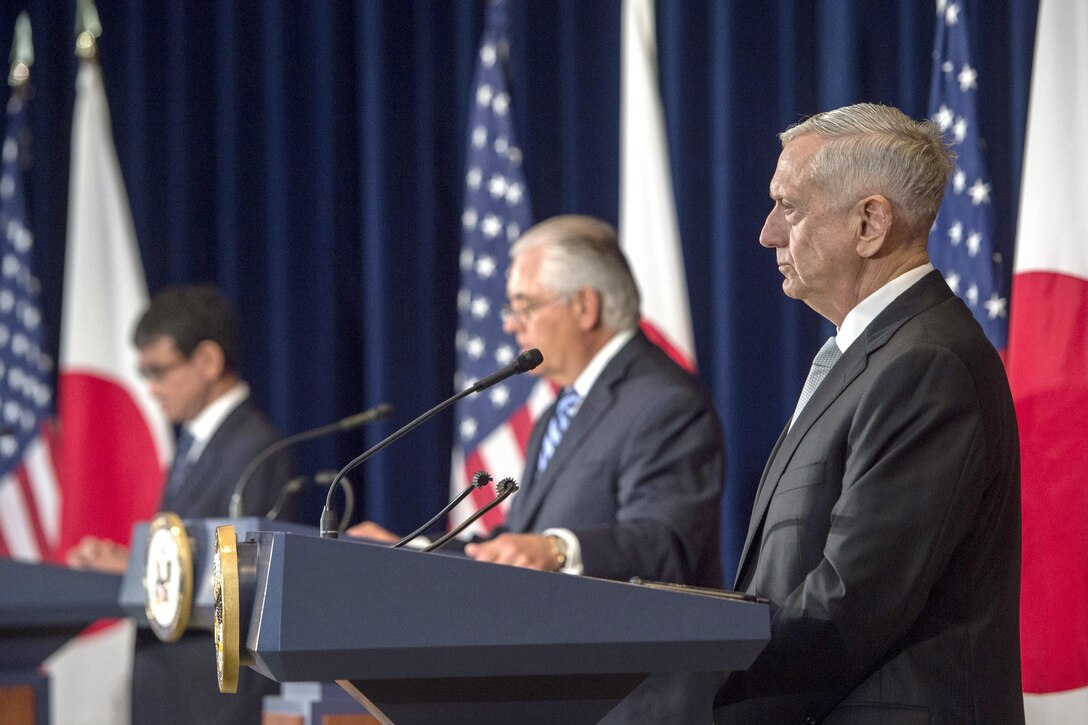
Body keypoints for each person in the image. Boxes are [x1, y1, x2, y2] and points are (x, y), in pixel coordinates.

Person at [713, 104, 1022, 723]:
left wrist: (703, 685)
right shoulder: (871, 355)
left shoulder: (925, 364)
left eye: (789, 206)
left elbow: (853, 602)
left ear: (869, 224)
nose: (768, 233)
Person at [351, 215, 726, 723]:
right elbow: (518, 543)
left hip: (635, 700)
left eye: (523, 305)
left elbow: (667, 545)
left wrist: (557, 548)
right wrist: (414, 552)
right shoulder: (560, 410)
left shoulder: (664, 402)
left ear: (585, 305)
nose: (509, 323)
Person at [68, 284, 296, 725]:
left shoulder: (256, 448)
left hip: (215, 700)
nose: (150, 389)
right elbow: (190, 550)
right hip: (173, 691)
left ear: (207, 361)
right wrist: (131, 560)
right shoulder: (197, 442)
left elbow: (248, 581)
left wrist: (137, 568)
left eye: (158, 371)